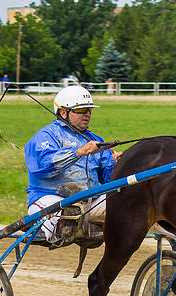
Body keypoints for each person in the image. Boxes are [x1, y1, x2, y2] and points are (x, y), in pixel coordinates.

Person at [25, 86, 121, 244]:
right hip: (49, 198)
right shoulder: (46, 136)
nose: (87, 114)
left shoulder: (95, 139)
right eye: (82, 110)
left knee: (126, 199)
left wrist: (115, 164)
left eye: (89, 110)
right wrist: (79, 151)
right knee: (67, 212)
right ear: (63, 112)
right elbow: (43, 166)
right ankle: (64, 228)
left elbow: (107, 181)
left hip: (90, 202)